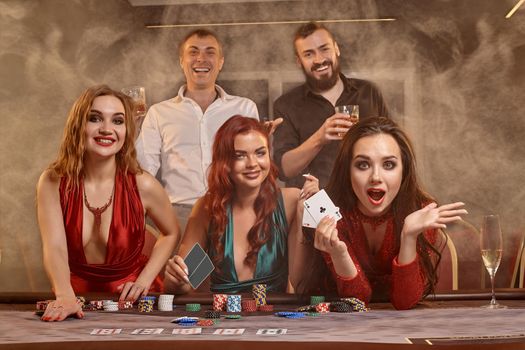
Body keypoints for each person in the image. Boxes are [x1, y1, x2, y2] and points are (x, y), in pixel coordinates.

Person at [36, 85, 180, 321]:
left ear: (126, 130)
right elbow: (55, 248)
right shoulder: (52, 182)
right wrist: (64, 296)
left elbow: (172, 232)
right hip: (74, 298)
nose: (106, 129)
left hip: (131, 302)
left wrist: (144, 280)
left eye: (118, 121)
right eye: (94, 118)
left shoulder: (144, 184)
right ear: (78, 125)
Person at [301, 117, 467, 310]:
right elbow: (357, 302)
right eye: (363, 165)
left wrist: (409, 236)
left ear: (403, 171)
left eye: (388, 165)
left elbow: (406, 302)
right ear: (347, 171)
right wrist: (340, 253)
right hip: (340, 326)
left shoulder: (420, 212)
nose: (376, 177)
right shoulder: (330, 212)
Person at [164, 115, 318, 293]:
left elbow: (301, 284)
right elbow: (186, 283)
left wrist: (304, 215)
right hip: (223, 318)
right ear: (225, 163)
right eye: (240, 156)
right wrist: (175, 278)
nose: (252, 164)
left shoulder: (291, 201)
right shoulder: (209, 208)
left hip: (276, 317)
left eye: (260, 153)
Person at [136, 29, 259, 234]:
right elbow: (143, 171)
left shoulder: (244, 108)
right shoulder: (159, 113)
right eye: (193, 52)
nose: (201, 58)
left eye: (210, 52)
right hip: (179, 216)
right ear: (181, 61)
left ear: (220, 62)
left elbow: (254, 165)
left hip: (233, 210)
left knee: (233, 267)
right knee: (186, 268)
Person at [273, 21, 390, 189]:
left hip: (368, 200)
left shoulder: (368, 92)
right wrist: (319, 138)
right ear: (299, 61)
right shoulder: (285, 105)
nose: (319, 59)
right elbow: (285, 170)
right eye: (308, 54)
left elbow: (392, 146)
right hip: (314, 207)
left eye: (324, 49)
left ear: (336, 49)